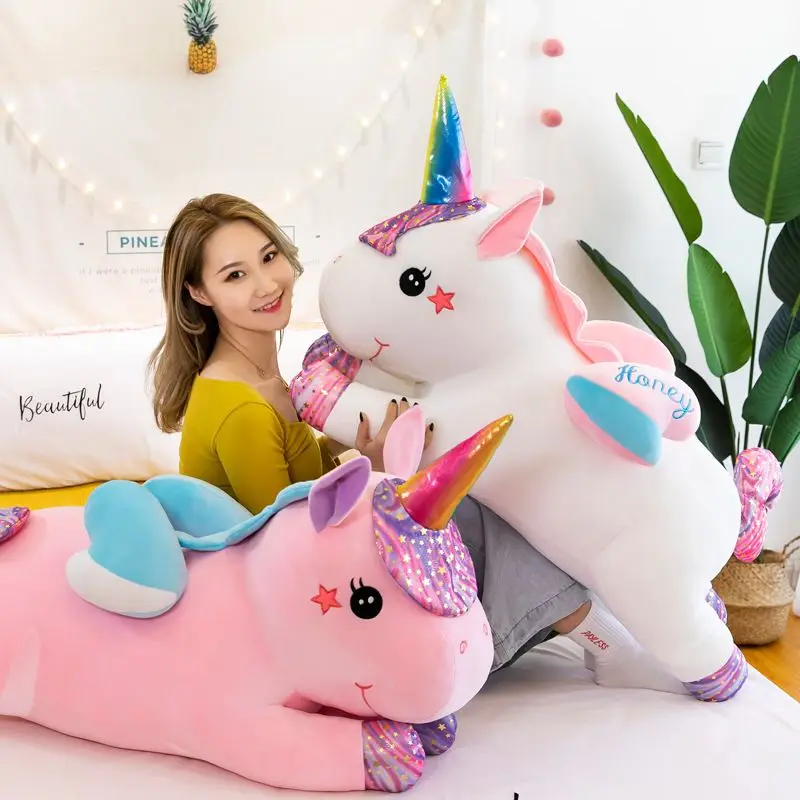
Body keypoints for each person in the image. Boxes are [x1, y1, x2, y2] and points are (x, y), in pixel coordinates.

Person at [148, 192, 684, 693]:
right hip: (304, 601)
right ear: (199, 293)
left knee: (471, 489)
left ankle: (597, 628)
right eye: (235, 275)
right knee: (463, 509)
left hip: (315, 570)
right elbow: (287, 540)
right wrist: (382, 477)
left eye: (269, 258)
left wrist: (363, 458)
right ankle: (603, 639)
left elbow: (301, 482)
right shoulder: (240, 406)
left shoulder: (265, 381)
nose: (266, 284)